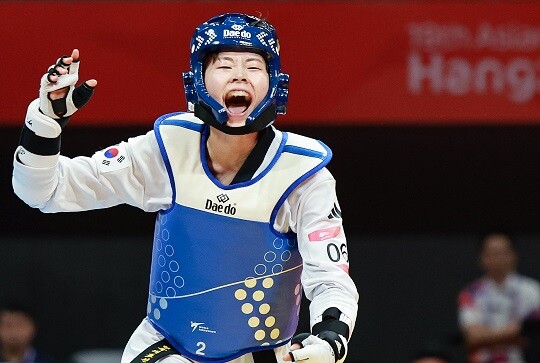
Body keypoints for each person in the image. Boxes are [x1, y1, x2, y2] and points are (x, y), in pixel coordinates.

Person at [12, 13, 359, 363]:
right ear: (198, 81)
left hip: (265, 354)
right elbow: (44, 191)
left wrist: (330, 338)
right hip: (166, 347)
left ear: (274, 83)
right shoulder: (166, 150)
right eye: (224, 65)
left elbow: (331, 278)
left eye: (254, 66)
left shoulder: (304, 175)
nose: (239, 74)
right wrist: (45, 120)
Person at [457, 233, 540, 363]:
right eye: (491, 253)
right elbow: (472, 336)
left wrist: (486, 338)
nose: (497, 258)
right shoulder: (471, 293)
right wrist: (512, 335)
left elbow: (531, 333)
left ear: (514, 255)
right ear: (481, 258)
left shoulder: (533, 290)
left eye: (502, 252)